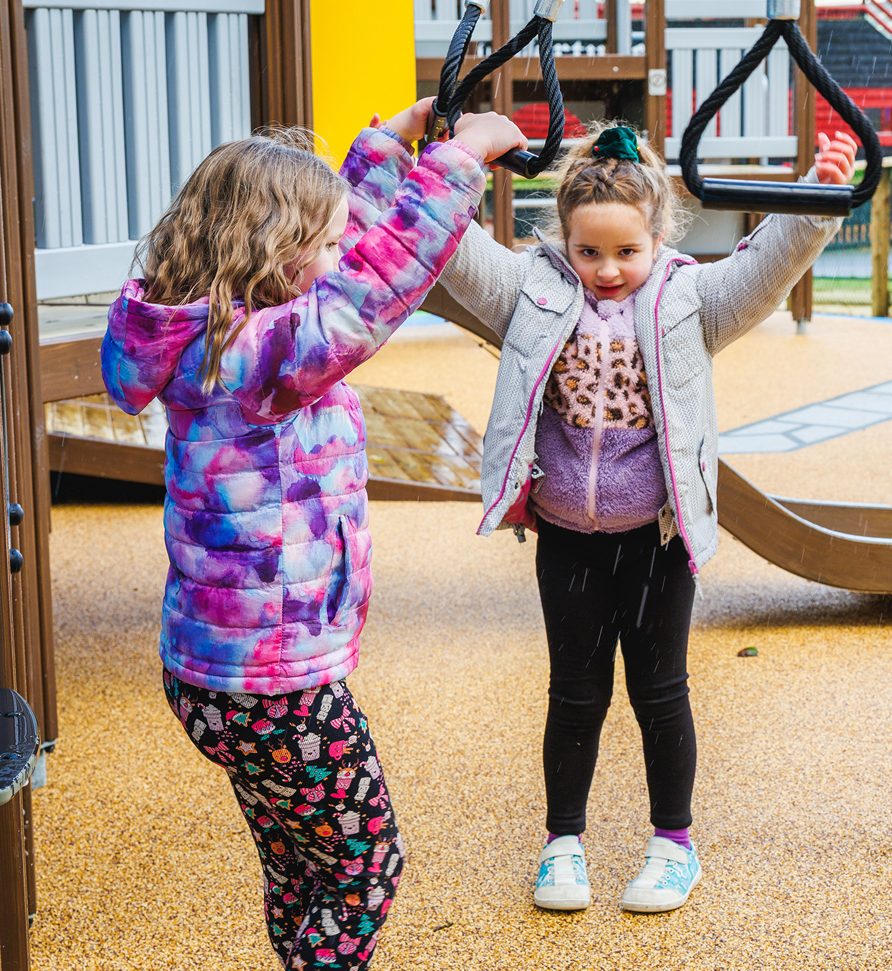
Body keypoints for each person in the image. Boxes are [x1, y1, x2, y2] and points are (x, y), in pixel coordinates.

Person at [338, 117, 856, 915]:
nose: (608, 269)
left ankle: (673, 844)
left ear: (659, 237)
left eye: (626, 251)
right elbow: (446, 245)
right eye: (588, 251)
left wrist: (817, 197)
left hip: (657, 540)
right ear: (562, 241)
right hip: (569, 541)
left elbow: (767, 267)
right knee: (575, 695)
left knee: (661, 692)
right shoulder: (532, 292)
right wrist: (408, 159)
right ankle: (562, 842)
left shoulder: (690, 301)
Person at [100, 108, 526, 969]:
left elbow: (346, 256)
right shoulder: (262, 357)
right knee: (366, 868)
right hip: (278, 689)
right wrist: (460, 159)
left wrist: (387, 149)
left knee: (301, 867)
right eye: (325, 245)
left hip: (208, 675)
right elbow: (373, 287)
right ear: (276, 252)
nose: (340, 255)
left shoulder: (200, 332)